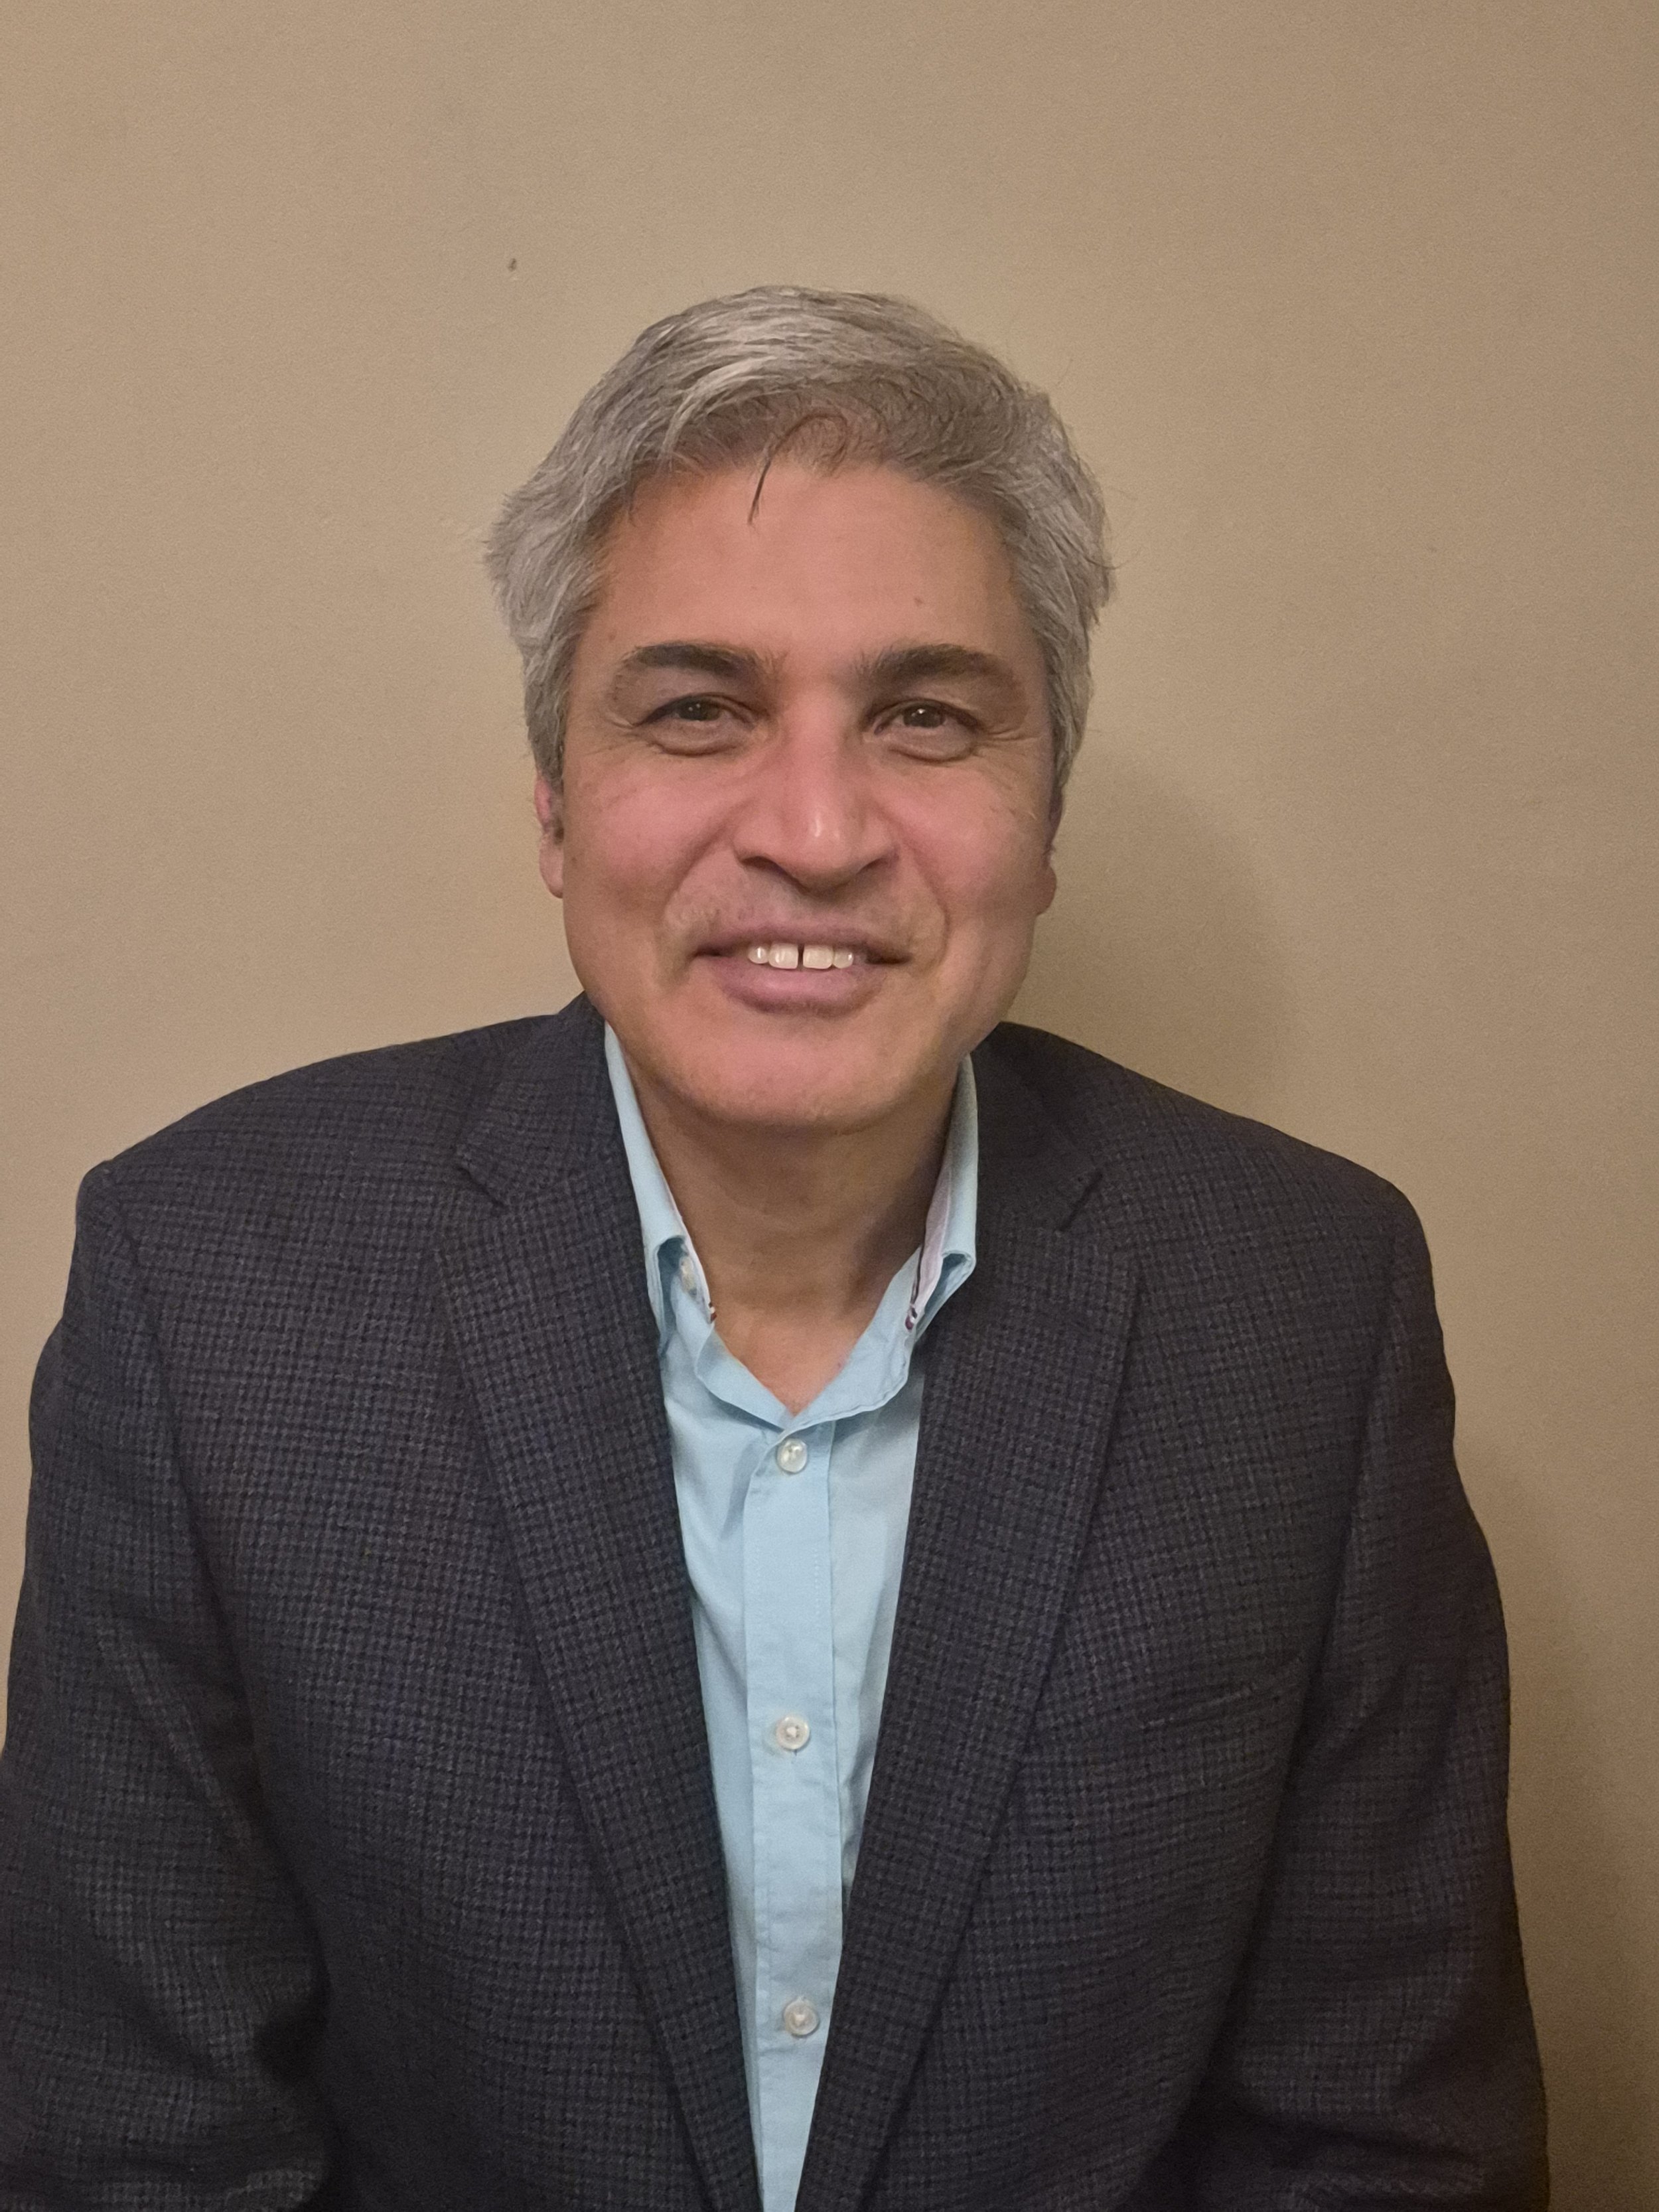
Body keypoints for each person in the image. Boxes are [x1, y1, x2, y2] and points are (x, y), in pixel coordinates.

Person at [0, 287, 1546, 2209]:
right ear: (558, 804)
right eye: (696, 709)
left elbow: (1386, 2152)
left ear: (1042, 811)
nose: (813, 828)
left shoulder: (1306, 1314)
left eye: (924, 715)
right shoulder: (207, 1291)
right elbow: (141, 2159)